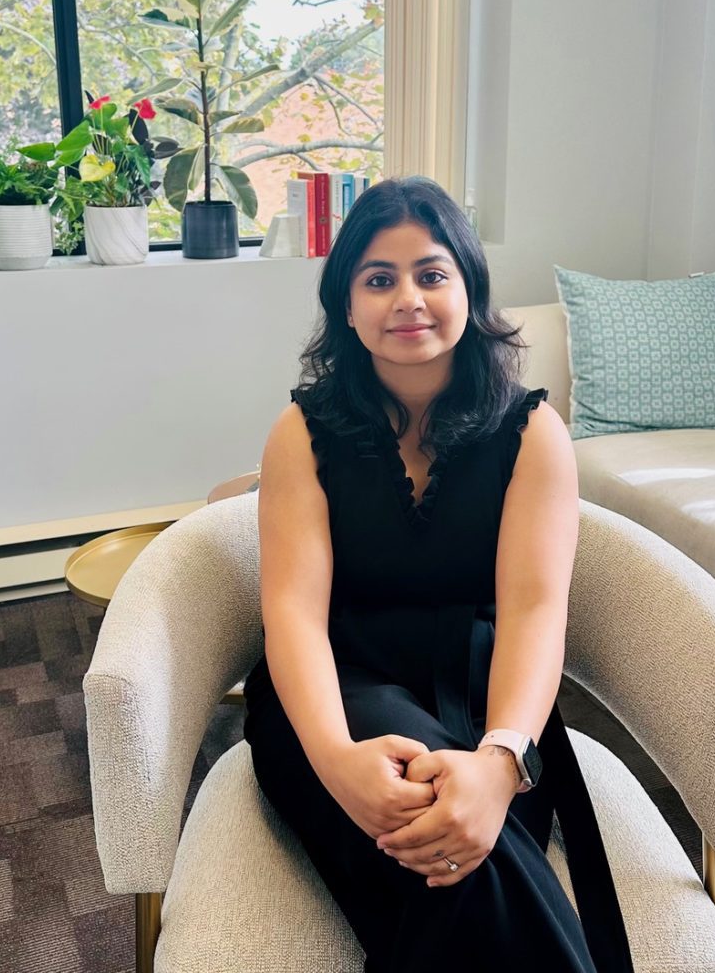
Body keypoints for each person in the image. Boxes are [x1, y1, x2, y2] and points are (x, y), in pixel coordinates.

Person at [243, 176, 635, 972]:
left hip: (481, 692)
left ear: (469, 289)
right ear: (345, 306)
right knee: (432, 825)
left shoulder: (532, 431)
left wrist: (500, 766)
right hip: (333, 685)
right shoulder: (300, 431)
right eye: (378, 279)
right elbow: (290, 611)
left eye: (430, 273)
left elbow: (533, 611)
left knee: (446, 847)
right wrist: (334, 760)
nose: (407, 299)